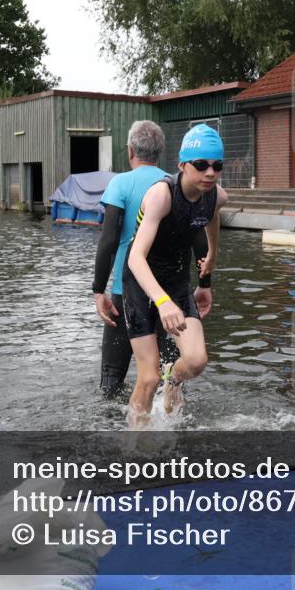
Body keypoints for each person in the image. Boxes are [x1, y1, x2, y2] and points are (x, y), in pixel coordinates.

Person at [91, 120, 208, 397]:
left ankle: (120, 431)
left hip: (126, 292)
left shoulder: (120, 183)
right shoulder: (175, 185)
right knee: (170, 374)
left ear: (130, 150)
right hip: (168, 296)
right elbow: (199, 240)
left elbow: (108, 241)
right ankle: (172, 428)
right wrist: (204, 282)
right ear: (161, 152)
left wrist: (99, 290)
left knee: (112, 380)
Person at [122, 124, 228, 424]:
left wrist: (209, 268)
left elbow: (211, 220)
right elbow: (135, 258)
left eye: (216, 166)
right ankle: (135, 445)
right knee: (148, 377)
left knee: (195, 362)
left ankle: (174, 378)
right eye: (201, 165)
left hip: (178, 280)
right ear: (182, 165)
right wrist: (163, 302)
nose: (210, 173)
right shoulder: (162, 195)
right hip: (142, 284)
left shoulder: (217, 196)